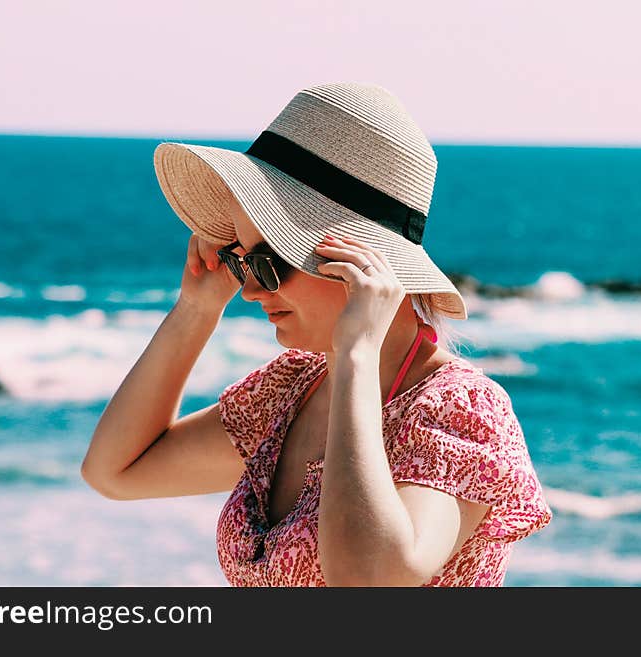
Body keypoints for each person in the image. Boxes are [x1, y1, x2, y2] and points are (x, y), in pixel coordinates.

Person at [82, 82, 552, 586]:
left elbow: (368, 579)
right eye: (240, 260)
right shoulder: (292, 389)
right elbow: (116, 471)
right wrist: (195, 309)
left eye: (269, 260)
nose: (250, 291)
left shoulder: (461, 410)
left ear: (363, 262)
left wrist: (356, 355)